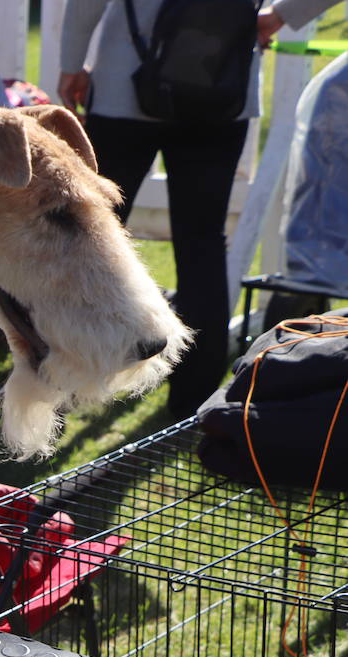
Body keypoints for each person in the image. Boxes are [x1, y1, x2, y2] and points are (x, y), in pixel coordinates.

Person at [57, 0, 337, 417]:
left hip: (125, 83)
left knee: (85, 238)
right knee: (203, 245)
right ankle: (194, 400)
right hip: (221, 83)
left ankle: (59, 385)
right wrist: (281, 15)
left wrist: (72, 63)